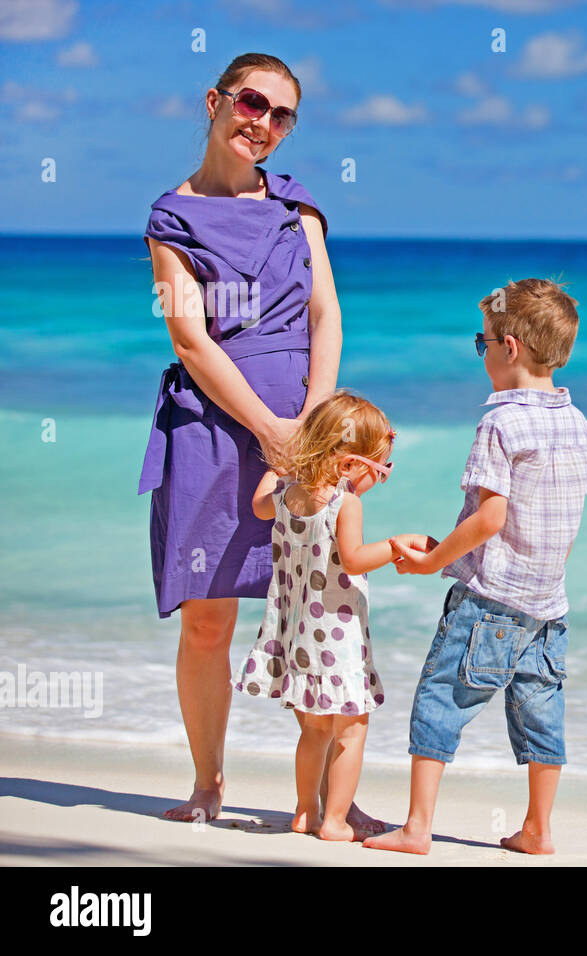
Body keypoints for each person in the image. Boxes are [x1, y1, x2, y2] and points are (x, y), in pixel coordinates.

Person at [141, 52, 380, 833]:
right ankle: (209, 785)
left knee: (325, 608)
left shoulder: (296, 205)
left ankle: (326, 800)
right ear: (214, 101)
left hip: (304, 427)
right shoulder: (170, 218)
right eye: (252, 104)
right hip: (215, 425)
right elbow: (189, 337)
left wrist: (314, 424)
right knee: (209, 619)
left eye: (283, 116)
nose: (264, 125)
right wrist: (269, 429)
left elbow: (325, 314)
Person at [364, 277, 587, 856]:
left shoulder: (500, 422)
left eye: (483, 341)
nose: (482, 353)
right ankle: (538, 830)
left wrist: (432, 562)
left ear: (509, 347)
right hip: (549, 605)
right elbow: (564, 521)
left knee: (441, 700)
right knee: (542, 714)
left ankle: (417, 828)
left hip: (490, 597)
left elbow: (491, 517)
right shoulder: (580, 425)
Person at [234, 391, 396, 841]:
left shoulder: (287, 496)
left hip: (298, 635)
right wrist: (397, 546)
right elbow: (355, 558)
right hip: (337, 637)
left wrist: (280, 466)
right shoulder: (346, 504)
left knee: (314, 730)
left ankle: (305, 811)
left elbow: (258, 504)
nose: (379, 480)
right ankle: (335, 821)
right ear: (347, 465)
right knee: (351, 729)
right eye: (378, 470)